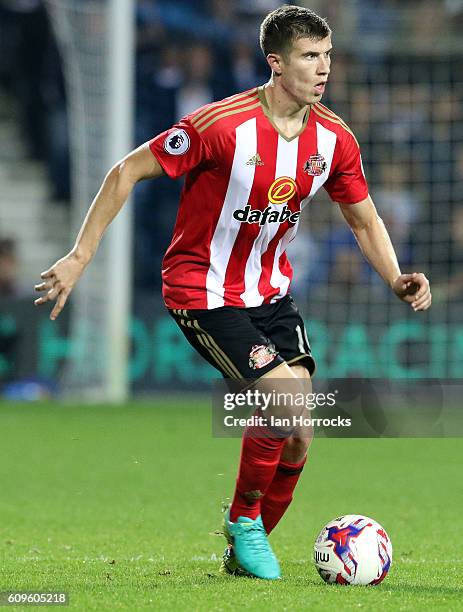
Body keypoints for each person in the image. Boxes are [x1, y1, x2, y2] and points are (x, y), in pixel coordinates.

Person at [34, 5, 432, 580]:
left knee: (299, 437)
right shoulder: (221, 125)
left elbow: (364, 220)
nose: (323, 69)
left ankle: (243, 553)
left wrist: (395, 276)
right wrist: (79, 256)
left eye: (327, 56)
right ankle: (244, 521)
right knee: (285, 402)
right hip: (203, 290)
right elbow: (124, 171)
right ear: (275, 62)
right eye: (309, 57)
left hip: (270, 294)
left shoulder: (335, 139)